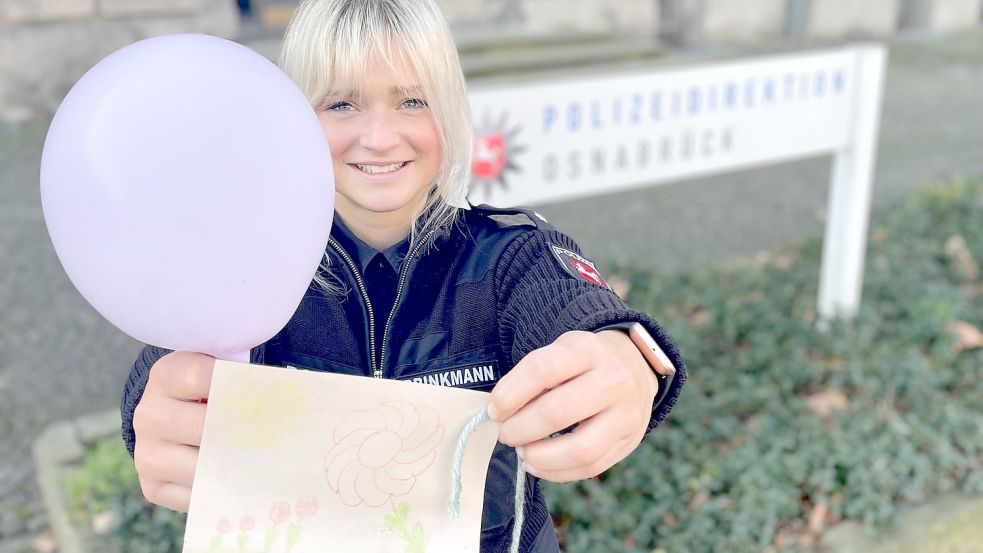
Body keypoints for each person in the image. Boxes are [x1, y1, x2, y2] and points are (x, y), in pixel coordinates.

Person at [120, 0, 686, 551]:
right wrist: (151, 406)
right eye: (341, 104)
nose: (381, 137)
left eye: (412, 100)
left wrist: (628, 364)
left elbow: (577, 309)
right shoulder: (248, 264)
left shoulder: (509, 255)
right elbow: (174, 365)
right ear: (293, 119)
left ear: (449, 110)